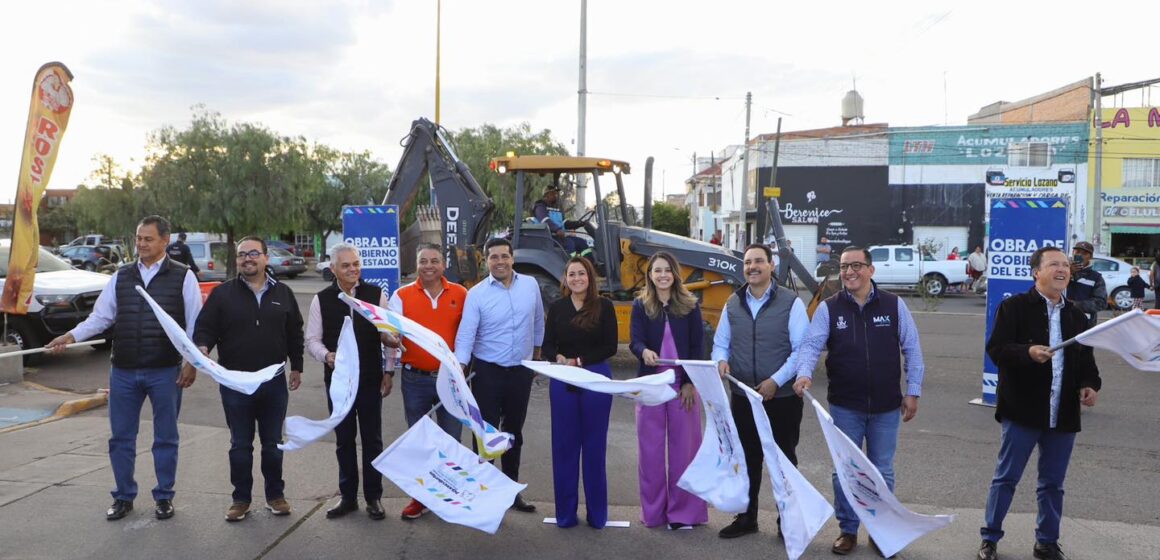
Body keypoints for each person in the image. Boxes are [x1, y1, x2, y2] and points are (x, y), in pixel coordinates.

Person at [46, 215, 200, 522]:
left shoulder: (183, 276)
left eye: (148, 239)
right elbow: (101, 318)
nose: (141, 244)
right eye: (138, 238)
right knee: (120, 438)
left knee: (166, 437)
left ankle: (164, 497)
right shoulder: (122, 276)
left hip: (165, 370)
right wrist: (71, 335)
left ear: (164, 241)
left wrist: (192, 363)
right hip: (125, 370)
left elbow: (195, 325)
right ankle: (123, 496)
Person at [792, 246, 925, 556]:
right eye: (844, 267)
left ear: (871, 270)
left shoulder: (894, 305)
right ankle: (847, 530)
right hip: (844, 405)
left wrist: (913, 391)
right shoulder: (829, 308)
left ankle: (881, 531)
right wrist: (803, 373)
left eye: (856, 266)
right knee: (844, 472)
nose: (849, 272)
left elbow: (913, 350)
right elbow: (811, 346)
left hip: (887, 406)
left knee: (882, 471)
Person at [976, 246, 1101, 560]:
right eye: (1054, 264)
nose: (1062, 270)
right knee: (1006, 478)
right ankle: (989, 538)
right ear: (1036, 272)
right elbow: (998, 350)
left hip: (1063, 412)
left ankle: (1046, 541)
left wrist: (1089, 384)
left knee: (1052, 484)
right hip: (1023, 410)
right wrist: (1028, 353)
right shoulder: (1015, 307)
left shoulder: (1075, 314)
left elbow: (1086, 358)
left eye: (1065, 266)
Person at [194, 236, 304, 523]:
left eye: (254, 253)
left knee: (272, 443)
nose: (247, 259)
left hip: (273, 382)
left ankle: (275, 496)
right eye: (242, 254)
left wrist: (297, 367)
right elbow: (205, 328)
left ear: (266, 257)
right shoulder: (222, 294)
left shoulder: (284, 292)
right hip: (235, 383)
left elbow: (295, 332)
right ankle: (240, 499)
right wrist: (203, 347)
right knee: (240, 444)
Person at [712, 244, 809, 539]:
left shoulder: (791, 302)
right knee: (748, 458)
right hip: (744, 397)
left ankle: (787, 521)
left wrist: (775, 381)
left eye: (758, 262)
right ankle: (747, 517)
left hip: (781, 399)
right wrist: (721, 361)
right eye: (747, 262)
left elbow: (801, 351)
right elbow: (720, 343)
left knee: (783, 460)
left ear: (771, 266)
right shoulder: (732, 303)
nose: (752, 267)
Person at [305, 243, 395, 521]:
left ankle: (374, 498)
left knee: (372, 440)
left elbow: (387, 334)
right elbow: (311, 340)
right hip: (339, 383)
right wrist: (327, 355)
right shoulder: (321, 299)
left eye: (356, 264)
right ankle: (347, 498)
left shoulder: (375, 295)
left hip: (370, 380)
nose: (353, 269)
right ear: (333, 269)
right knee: (344, 440)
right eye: (346, 265)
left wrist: (389, 369)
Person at [454, 237, 544, 513]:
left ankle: (511, 492)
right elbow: (466, 334)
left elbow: (538, 321)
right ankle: (484, 494)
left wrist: (537, 359)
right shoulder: (477, 294)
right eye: (494, 257)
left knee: (514, 431)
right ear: (486, 261)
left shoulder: (530, 285)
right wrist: (459, 368)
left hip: (521, 371)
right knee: (486, 434)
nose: (500, 261)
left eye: (504, 256)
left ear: (512, 258)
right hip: (488, 372)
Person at [386, 243, 468, 520]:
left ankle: (449, 496)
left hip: (450, 381)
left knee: (451, 440)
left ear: (443, 265)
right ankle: (420, 498)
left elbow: (469, 333)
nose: (429, 266)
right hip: (415, 380)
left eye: (434, 260)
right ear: (417, 264)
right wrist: (389, 339)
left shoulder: (461, 293)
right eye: (423, 261)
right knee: (419, 440)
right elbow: (390, 333)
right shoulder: (401, 295)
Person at [628, 251, 709, 530]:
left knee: (684, 453)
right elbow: (634, 341)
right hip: (651, 386)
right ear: (650, 275)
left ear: (675, 273)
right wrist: (644, 351)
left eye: (667, 270)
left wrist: (689, 383)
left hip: (681, 387)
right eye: (656, 270)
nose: (662, 275)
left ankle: (683, 514)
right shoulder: (641, 305)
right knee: (649, 454)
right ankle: (653, 513)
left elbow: (698, 348)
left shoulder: (690, 306)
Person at [541, 257, 618, 529]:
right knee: (564, 448)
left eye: (581, 274)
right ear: (565, 279)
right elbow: (547, 345)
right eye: (571, 274)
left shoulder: (604, 306)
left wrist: (580, 360)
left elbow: (610, 346)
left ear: (590, 277)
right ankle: (565, 515)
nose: (576, 279)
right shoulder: (558, 307)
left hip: (596, 378)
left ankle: (598, 516)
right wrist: (559, 357)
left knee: (594, 448)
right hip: (563, 381)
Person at [532, 186, 593, 260]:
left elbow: (564, 223)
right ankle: (572, 265)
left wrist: (580, 223)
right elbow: (545, 220)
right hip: (548, 238)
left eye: (556, 194)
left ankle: (590, 264)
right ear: (547, 195)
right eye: (553, 194)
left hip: (559, 237)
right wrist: (557, 229)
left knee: (582, 242)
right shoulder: (540, 207)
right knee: (570, 244)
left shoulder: (557, 208)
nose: (556, 196)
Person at [1066, 241, 1107, 328]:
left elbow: (1101, 303)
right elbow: (1052, 290)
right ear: (1073, 253)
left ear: (1090, 257)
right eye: (1077, 252)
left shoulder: (1096, 277)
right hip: (1063, 320)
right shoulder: (1062, 272)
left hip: (1085, 323)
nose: (1080, 255)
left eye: (1084, 253)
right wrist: (1069, 273)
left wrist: (1075, 305)